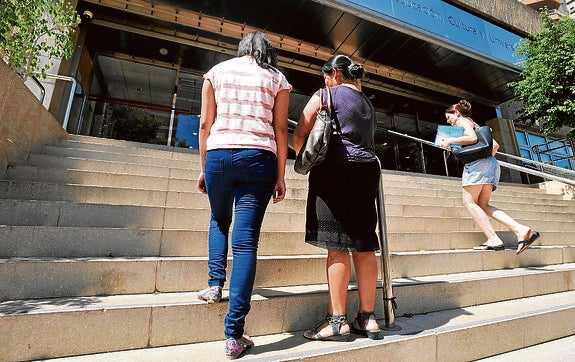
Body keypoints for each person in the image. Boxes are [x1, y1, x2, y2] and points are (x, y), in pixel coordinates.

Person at [196, 31, 292, 359]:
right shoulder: (276, 78)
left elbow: (206, 124)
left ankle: (214, 285)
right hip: (259, 158)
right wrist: (280, 174)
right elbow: (281, 130)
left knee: (219, 219)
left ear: (241, 49)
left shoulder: (217, 72)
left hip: (219, 155)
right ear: (267, 51)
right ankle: (234, 336)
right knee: (246, 241)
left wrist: (204, 166)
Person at [293, 54, 382, 341]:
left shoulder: (325, 94)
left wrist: (304, 158)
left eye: (327, 77)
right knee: (365, 247)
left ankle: (336, 320)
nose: (326, 82)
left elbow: (301, 133)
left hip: (335, 172)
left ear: (334, 74)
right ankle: (368, 318)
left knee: (337, 247)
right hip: (367, 173)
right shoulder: (368, 103)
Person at [440, 99, 540, 254]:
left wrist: (450, 140)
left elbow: (472, 138)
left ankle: (494, 239)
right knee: (483, 204)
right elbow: (495, 145)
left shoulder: (462, 121)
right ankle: (520, 229)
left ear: (457, 113)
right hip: (491, 164)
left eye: (449, 117)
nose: (449, 121)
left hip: (477, 166)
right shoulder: (476, 124)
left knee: (469, 202)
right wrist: (485, 159)